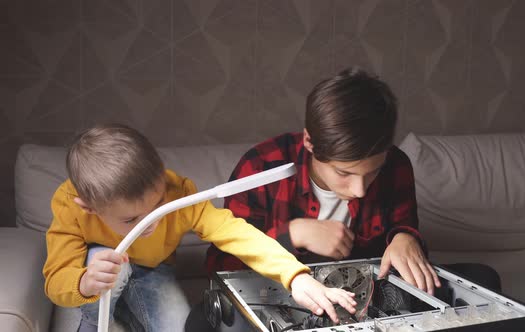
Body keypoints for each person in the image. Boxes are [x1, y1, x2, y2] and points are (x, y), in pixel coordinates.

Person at [204, 67, 501, 296]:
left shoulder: (396, 165)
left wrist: (405, 238)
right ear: (309, 141)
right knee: (204, 322)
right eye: (344, 173)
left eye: (371, 173)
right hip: (284, 292)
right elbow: (222, 269)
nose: (359, 190)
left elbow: (402, 234)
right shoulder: (261, 166)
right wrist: (291, 235)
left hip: (364, 291)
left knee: (484, 279)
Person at [42, 124, 356, 332]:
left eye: (158, 205)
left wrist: (295, 275)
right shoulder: (71, 205)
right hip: (98, 276)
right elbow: (56, 279)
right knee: (103, 259)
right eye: (131, 220)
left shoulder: (179, 191)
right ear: (89, 207)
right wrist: (85, 283)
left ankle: (129, 313)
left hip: (153, 273)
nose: (150, 221)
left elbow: (234, 232)